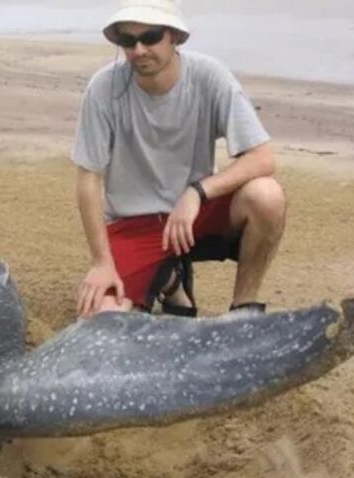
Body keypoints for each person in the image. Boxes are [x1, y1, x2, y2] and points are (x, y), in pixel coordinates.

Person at [72, 0, 285, 318]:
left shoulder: (210, 76)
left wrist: (197, 192)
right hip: (134, 224)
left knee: (266, 195)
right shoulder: (104, 89)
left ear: (174, 36)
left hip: (197, 215)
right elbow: (89, 178)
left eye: (151, 36)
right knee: (98, 318)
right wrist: (102, 263)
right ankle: (170, 280)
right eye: (128, 41)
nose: (139, 50)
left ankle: (244, 310)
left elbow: (262, 158)